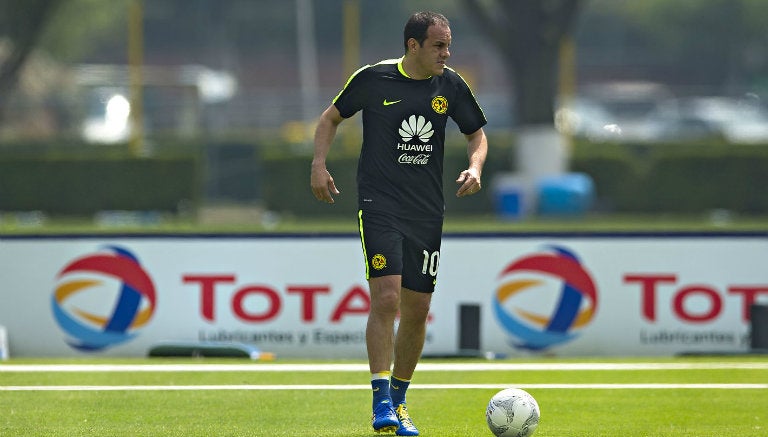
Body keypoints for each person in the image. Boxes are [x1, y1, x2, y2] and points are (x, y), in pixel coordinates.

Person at [310, 11, 487, 436]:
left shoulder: (451, 85)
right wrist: (318, 164)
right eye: (439, 46)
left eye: (448, 45)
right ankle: (380, 402)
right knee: (386, 298)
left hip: (426, 209)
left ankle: (400, 400)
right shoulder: (373, 79)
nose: (447, 53)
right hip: (379, 203)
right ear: (413, 46)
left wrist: (476, 167)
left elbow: (476, 133)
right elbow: (330, 117)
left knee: (418, 308)